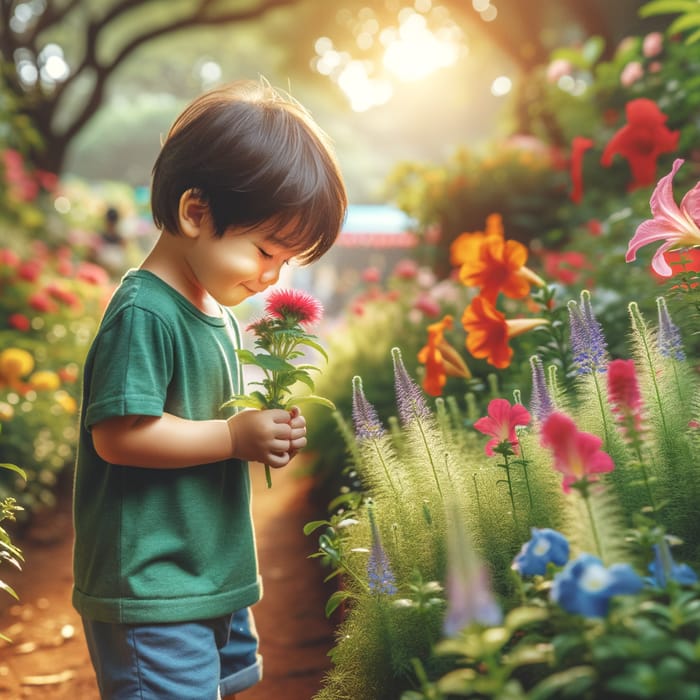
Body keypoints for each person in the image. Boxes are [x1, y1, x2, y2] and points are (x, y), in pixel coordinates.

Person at [72, 79, 347, 700]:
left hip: (206, 573)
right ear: (197, 212)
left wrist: (261, 431)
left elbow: (201, 419)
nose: (273, 275)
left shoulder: (216, 312)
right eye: (265, 250)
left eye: (287, 262)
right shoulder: (145, 311)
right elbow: (119, 435)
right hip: (151, 586)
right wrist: (230, 436)